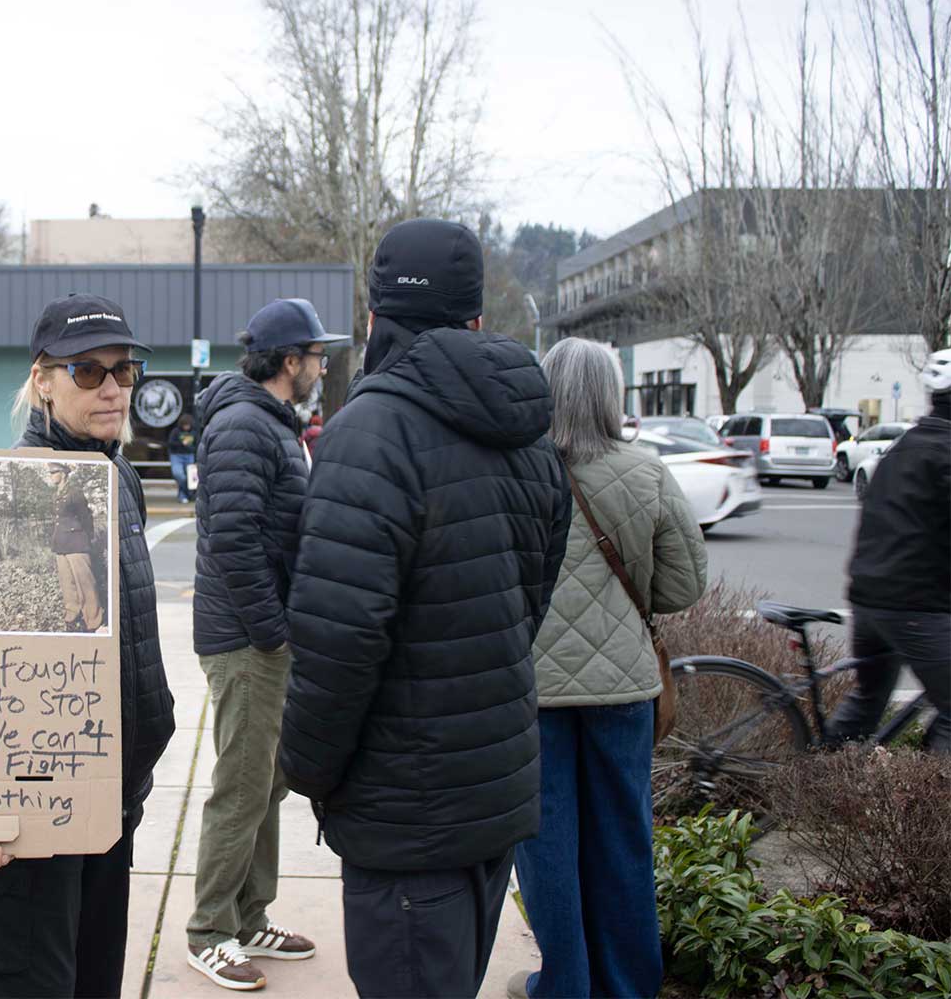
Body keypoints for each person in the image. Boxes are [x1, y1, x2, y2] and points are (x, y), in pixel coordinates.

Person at [280, 219, 571, 999]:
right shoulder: (531, 439)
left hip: (405, 814)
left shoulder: (366, 433)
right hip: (491, 792)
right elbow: (529, 601)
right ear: (476, 320)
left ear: (377, 321)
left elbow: (336, 643)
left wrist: (307, 771)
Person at [0, 292, 176, 998]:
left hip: (110, 802)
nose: (112, 387)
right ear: (43, 380)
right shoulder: (10, 488)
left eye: (125, 368)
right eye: (87, 371)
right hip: (30, 819)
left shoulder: (121, 476)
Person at [508, 337, 707, 999]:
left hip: (534, 691)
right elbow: (683, 586)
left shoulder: (515, 470)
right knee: (624, 839)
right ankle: (628, 986)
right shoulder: (646, 471)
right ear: (612, 396)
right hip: (623, 686)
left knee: (546, 846)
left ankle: (563, 984)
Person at [185, 297, 346, 991]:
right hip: (246, 641)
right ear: (289, 362)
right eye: (316, 356)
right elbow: (235, 542)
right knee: (243, 786)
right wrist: (274, 635)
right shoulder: (246, 425)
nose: (322, 366)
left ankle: (250, 916)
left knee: (267, 784)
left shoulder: (271, 424)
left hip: (262, 637)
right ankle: (209, 930)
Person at [825, 348, 951, 754]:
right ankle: (932, 808)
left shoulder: (906, 445)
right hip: (915, 606)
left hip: (869, 599)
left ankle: (815, 781)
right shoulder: (945, 451)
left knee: (867, 701)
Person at [47, 462, 106, 632]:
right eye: (50, 473)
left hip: (76, 542)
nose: (51, 475)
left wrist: (87, 538)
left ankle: (93, 620)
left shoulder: (74, 492)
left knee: (85, 583)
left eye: (54, 472)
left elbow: (86, 516)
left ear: (64, 473)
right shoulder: (56, 494)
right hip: (61, 543)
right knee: (67, 583)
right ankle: (72, 615)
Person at [167, 414, 198, 503]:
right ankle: (188, 493)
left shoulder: (194, 432)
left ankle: (183, 495)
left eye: (188, 425)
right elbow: (170, 444)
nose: (186, 427)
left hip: (190, 455)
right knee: (179, 475)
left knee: (191, 478)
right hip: (177, 455)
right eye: (185, 425)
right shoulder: (175, 432)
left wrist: (196, 458)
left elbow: (197, 444)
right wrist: (181, 444)